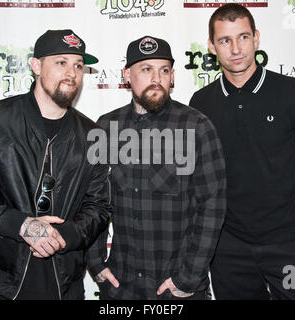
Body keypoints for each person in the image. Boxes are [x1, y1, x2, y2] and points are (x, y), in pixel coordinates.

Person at [0, 29, 111, 300]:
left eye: (78, 65)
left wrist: (65, 235)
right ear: (36, 66)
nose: (71, 72)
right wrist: (23, 225)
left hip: (65, 281)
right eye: (61, 62)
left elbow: (99, 207)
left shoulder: (92, 135)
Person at [189, 4, 295, 300]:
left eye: (243, 37)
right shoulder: (201, 103)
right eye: (225, 40)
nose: (236, 48)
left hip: (289, 246)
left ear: (256, 37)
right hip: (229, 250)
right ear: (211, 47)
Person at [86, 35, 226, 300]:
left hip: (177, 288)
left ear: (172, 76)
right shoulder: (106, 127)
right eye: (146, 69)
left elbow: (212, 207)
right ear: (127, 75)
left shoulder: (196, 127)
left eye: (164, 70)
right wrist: (95, 262)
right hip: (121, 286)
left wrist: (188, 278)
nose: (156, 78)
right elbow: (94, 200)